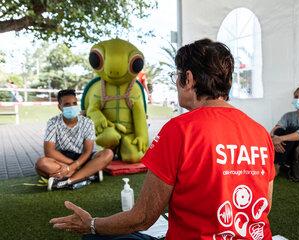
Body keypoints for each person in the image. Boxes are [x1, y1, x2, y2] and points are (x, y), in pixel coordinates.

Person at [50, 39, 275, 239]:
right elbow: (266, 203)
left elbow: (143, 217)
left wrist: (91, 224)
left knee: (95, 237)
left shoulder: (180, 130)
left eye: (176, 76)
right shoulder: (260, 132)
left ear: (188, 78)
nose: (176, 82)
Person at [35, 89, 113, 191]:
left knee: (108, 153)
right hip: (62, 160)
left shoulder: (87, 122)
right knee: (41, 164)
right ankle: (88, 174)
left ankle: (68, 181)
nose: (71, 106)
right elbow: (49, 151)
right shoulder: (53, 122)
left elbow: (87, 151)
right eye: (67, 104)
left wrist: (72, 167)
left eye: (74, 103)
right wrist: (72, 165)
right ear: (60, 107)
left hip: (83, 158)